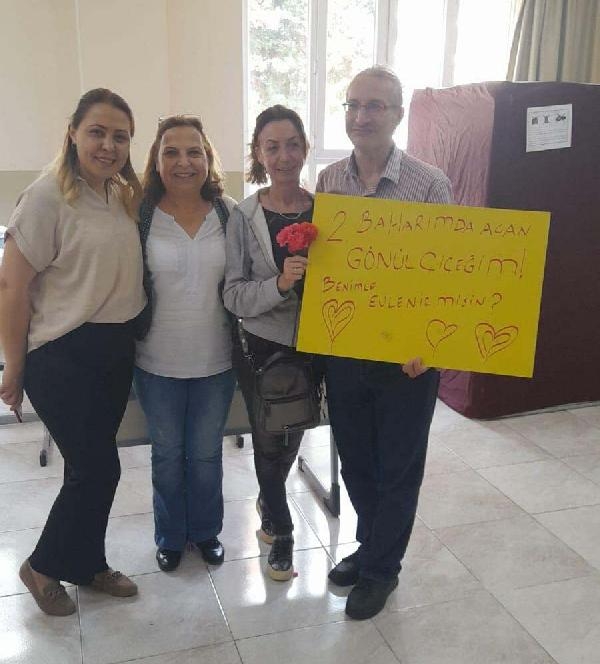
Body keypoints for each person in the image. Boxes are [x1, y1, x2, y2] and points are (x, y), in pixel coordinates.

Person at [0, 88, 146, 616]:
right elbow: (11, 287)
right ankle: (42, 565)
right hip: (62, 354)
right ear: (73, 133)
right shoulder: (46, 196)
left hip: (113, 350)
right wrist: (14, 365)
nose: (108, 145)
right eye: (97, 132)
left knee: (86, 469)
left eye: (120, 136)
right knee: (98, 469)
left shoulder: (118, 194)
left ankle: (87, 563)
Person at [316, 66, 452, 620]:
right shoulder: (329, 181)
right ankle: (371, 545)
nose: (361, 115)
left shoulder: (430, 184)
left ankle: (381, 570)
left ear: (397, 115)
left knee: (398, 466)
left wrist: (430, 345)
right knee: (356, 462)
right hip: (346, 351)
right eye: (353, 104)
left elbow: (448, 276)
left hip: (408, 359)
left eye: (374, 105)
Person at [133, 116, 236, 572]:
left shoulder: (228, 212)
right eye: (171, 152)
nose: (183, 161)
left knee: (207, 455)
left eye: (194, 151)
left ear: (207, 158)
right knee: (168, 456)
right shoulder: (140, 214)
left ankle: (207, 531)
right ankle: (171, 536)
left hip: (217, 360)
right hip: (155, 361)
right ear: (156, 160)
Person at [224, 105, 315, 581]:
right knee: (267, 439)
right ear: (258, 154)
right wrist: (279, 285)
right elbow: (233, 293)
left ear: (305, 148)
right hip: (262, 345)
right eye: (272, 147)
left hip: (316, 343)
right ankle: (282, 533)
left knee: (294, 431)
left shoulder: (327, 210)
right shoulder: (244, 216)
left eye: (292, 145)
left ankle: (270, 499)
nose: (284, 157)